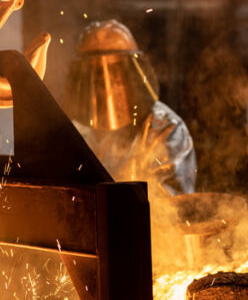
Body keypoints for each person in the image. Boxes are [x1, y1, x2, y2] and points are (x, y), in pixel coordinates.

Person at [64, 20, 196, 197]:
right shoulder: (72, 129)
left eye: (115, 70)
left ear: (132, 73)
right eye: (96, 73)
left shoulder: (166, 129)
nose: (106, 82)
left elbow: (170, 209)